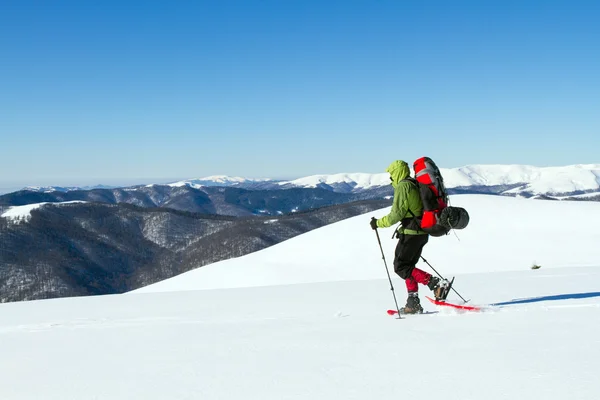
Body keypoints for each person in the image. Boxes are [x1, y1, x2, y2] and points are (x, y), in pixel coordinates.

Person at [369, 160, 447, 314]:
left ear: (396, 172)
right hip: (421, 232)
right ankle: (413, 304)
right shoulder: (414, 183)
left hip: (411, 234)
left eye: (391, 174)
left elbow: (396, 214)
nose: (390, 178)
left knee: (401, 267)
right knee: (408, 269)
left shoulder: (403, 186)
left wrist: (378, 223)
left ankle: (435, 284)